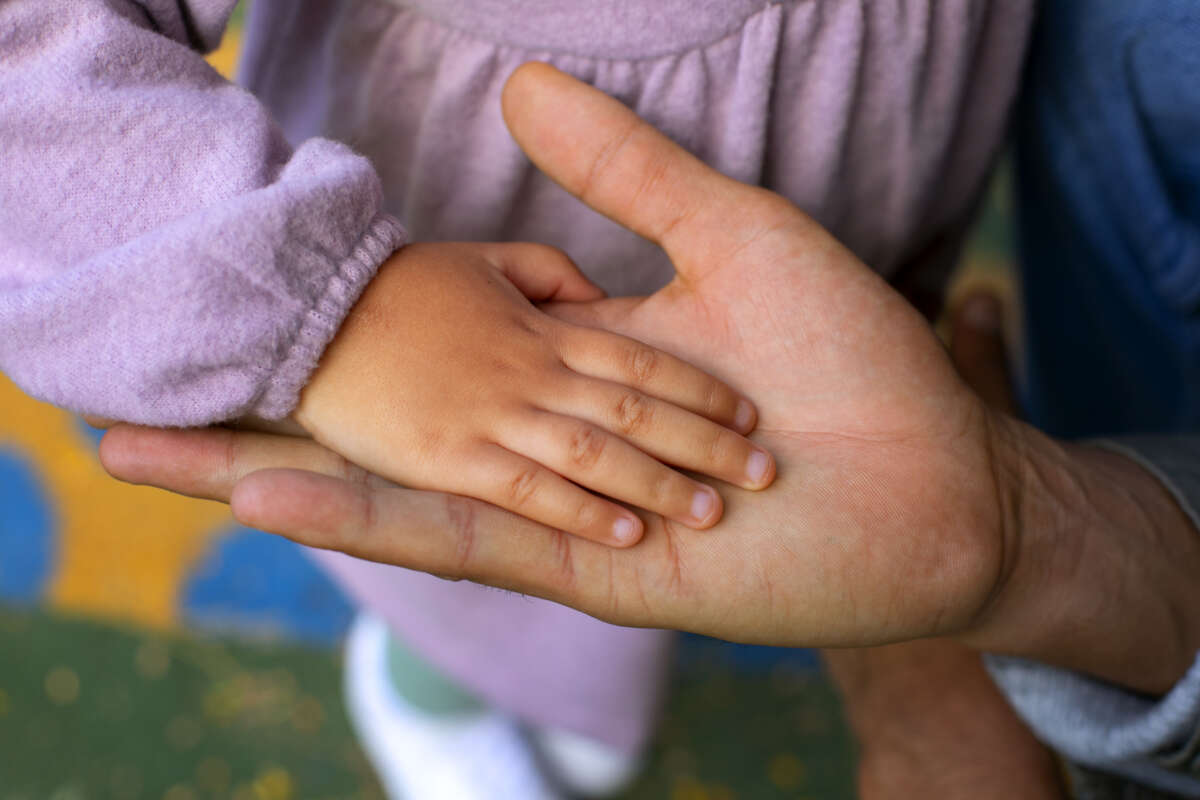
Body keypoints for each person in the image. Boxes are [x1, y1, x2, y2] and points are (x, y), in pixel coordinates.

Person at [2, 1, 1037, 796]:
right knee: (482, 576)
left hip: (857, 221)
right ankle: (439, 682)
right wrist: (340, 308)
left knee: (714, 521)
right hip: (458, 337)